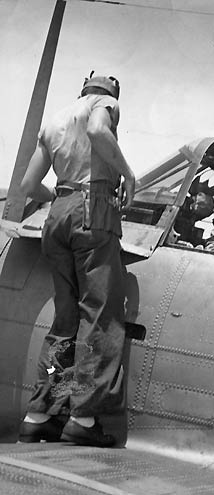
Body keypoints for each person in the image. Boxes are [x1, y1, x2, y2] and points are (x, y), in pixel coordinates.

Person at [18, 72, 135, 448]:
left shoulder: (54, 119)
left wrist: (62, 196)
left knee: (65, 319)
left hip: (58, 213)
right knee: (99, 317)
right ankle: (82, 419)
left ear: (82, 88)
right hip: (93, 211)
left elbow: (28, 186)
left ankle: (39, 415)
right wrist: (127, 175)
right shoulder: (104, 106)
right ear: (110, 93)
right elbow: (100, 132)